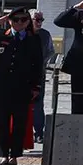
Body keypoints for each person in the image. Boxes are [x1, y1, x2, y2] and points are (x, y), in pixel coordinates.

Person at [0, 7, 43, 165]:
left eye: (23, 20)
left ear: (27, 22)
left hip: (23, 86)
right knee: (2, 121)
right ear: (9, 21)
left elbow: (38, 65)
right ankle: (3, 155)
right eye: (15, 20)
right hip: (2, 85)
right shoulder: (2, 35)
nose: (19, 23)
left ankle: (14, 155)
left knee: (20, 122)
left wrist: (36, 86)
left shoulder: (33, 39)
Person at [30, 11, 56, 144]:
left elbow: (51, 51)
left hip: (39, 74)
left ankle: (39, 132)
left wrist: (41, 61)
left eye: (41, 20)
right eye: (37, 20)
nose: (39, 22)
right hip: (23, 74)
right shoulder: (24, 33)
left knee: (38, 104)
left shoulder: (45, 35)